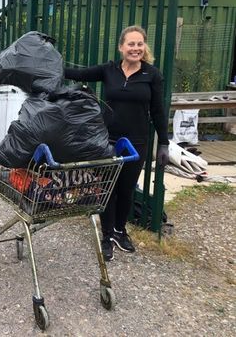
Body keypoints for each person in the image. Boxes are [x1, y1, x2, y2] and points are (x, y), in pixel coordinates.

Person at [64, 25, 170, 262]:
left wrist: (164, 142)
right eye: (131, 44)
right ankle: (106, 235)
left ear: (144, 47)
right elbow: (78, 74)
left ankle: (120, 231)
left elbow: (158, 111)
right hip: (108, 138)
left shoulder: (152, 75)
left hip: (136, 141)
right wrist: (50, 66)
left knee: (126, 188)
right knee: (107, 187)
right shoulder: (108, 70)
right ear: (121, 47)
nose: (135, 48)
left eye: (139, 44)